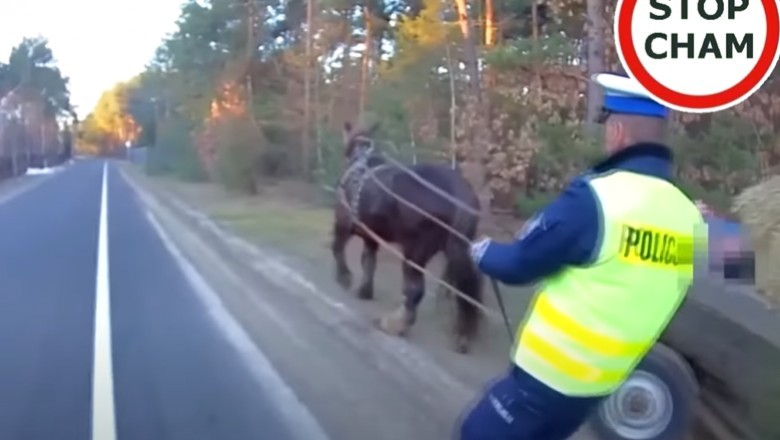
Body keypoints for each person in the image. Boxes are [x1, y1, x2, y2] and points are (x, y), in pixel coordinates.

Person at [457, 72, 707, 440]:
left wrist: (482, 251)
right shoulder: (688, 217)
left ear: (618, 132)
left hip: (546, 378)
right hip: (601, 384)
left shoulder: (597, 198)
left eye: (607, 125)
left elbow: (518, 265)